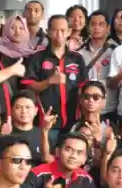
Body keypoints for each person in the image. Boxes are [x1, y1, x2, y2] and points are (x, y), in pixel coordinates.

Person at [22, 15, 87, 144]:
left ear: (69, 32)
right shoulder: (37, 58)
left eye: (63, 30)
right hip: (46, 122)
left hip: (73, 121)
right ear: (48, 32)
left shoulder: (77, 58)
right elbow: (29, 86)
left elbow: (84, 87)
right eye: (55, 30)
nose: (59, 34)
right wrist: (49, 81)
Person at [78, 10, 119, 120]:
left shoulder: (116, 51)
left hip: (110, 108)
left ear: (108, 28)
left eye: (101, 24)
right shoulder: (79, 53)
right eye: (93, 24)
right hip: (86, 109)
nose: (96, 27)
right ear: (88, 27)